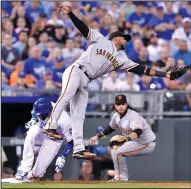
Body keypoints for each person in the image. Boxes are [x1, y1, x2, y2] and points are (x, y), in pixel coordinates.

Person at [44, 5, 185, 160]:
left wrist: (165, 74)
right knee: (66, 96)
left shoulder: (122, 58)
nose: (126, 41)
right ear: (117, 38)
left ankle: (78, 149)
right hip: (76, 70)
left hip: (86, 81)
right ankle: (50, 126)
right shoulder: (101, 39)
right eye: (125, 38)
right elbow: (83, 28)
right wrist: (70, 14)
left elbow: (142, 69)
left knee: (79, 116)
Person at [89, 94, 156, 181]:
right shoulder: (116, 116)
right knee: (115, 151)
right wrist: (97, 136)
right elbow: (110, 128)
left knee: (117, 152)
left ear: (126, 104)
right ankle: (120, 175)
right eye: (118, 104)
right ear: (114, 105)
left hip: (146, 143)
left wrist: (126, 140)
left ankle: (120, 176)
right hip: (136, 142)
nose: (121, 106)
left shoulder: (133, 116)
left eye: (123, 104)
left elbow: (137, 132)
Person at [15, 98, 73, 181]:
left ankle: (30, 176)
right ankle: (24, 169)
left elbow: (72, 141)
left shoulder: (64, 121)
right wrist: (34, 119)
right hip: (41, 128)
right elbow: (35, 112)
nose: (38, 115)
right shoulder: (45, 105)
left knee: (37, 173)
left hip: (55, 138)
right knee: (30, 134)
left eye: (40, 115)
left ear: (47, 113)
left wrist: (63, 156)